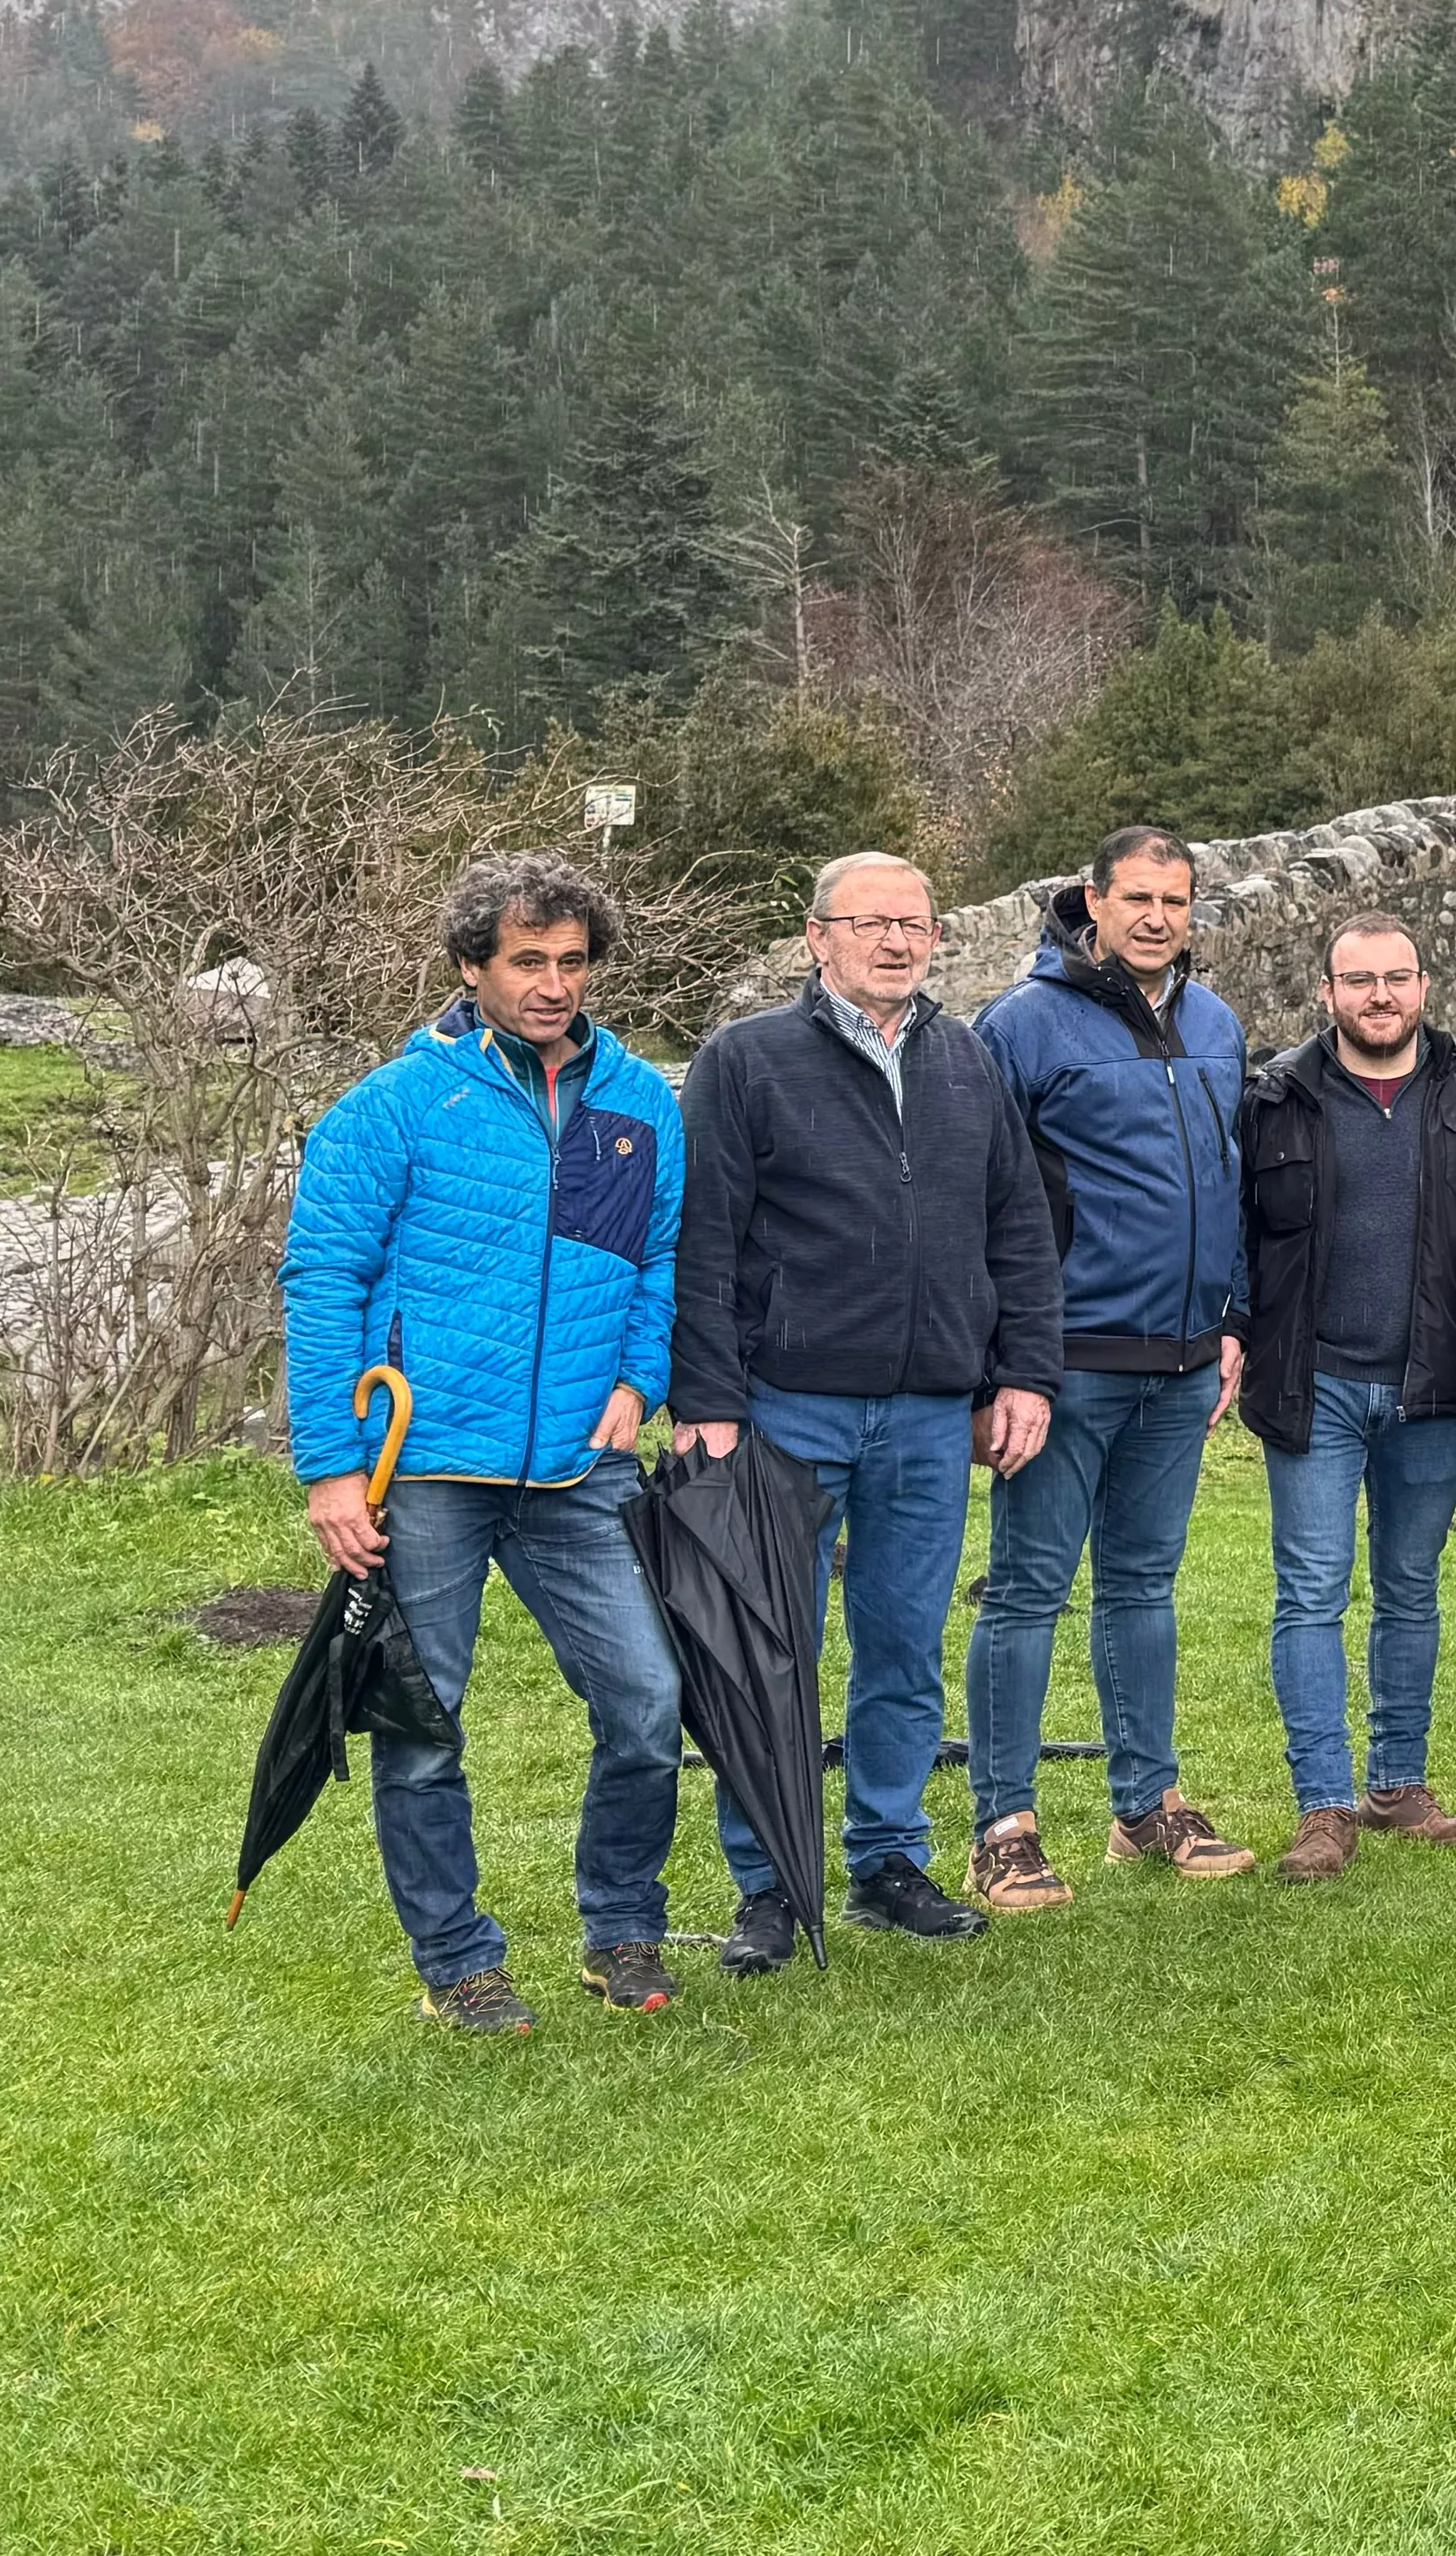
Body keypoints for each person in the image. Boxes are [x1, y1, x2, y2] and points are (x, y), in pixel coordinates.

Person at [280, 855, 688, 2035]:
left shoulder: (637, 1102)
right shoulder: (396, 1106)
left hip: (577, 1464)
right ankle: (459, 1961)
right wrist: (331, 1467)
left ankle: (622, 1926)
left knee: (648, 1699)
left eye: (571, 960)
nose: (553, 983)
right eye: (527, 961)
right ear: (472, 968)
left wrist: (639, 1375)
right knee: (421, 1723)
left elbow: (656, 1260)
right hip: (426, 1466)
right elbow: (322, 1281)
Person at [674, 851, 1063, 1969]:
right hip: (787, 1406)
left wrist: (1023, 1369)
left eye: (915, 923)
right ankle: (767, 1878)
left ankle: (888, 1855)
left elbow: (1019, 1227)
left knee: (903, 1645)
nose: (897, 941)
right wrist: (707, 1396)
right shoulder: (746, 1062)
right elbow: (704, 1240)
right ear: (818, 936)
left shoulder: (966, 1060)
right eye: (871, 922)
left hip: (932, 1412)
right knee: (767, 1647)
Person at [966, 824, 1256, 1901]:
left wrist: (1233, 1318)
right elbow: (985, 1204)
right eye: (1135, 896)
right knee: (1028, 1591)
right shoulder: (1022, 1024)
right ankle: (1003, 1821)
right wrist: (1006, 1365)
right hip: (1065, 1361)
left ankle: (1147, 1804)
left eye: (1175, 900)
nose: (1156, 917)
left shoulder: (1215, 1021)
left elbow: (1228, 1181)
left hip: (1182, 1362)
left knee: (1144, 1586)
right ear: (1092, 900)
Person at [1238, 912, 1456, 1884]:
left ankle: (1398, 1781)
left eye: (1395, 977)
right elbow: (1236, 1235)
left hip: (1433, 1386)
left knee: (1410, 1589)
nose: (1379, 996)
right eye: (1358, 980)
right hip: (1313, 1382)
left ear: (1424, 985)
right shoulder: (1274, 1096)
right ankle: (1322, 1804)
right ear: (1328, 992)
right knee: (1311, 1593)